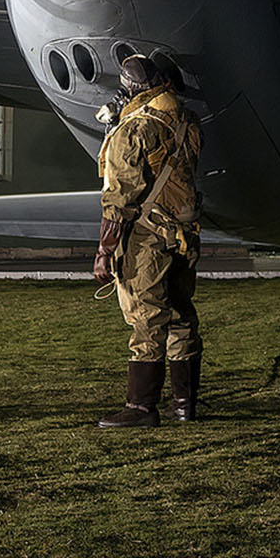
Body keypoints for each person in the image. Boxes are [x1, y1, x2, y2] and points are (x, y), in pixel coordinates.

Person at [93, 54, 205, 427]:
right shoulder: (187, 120)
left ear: (132, 88)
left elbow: (120, 195)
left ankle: (141, 408)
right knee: (181, 314)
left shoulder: (135, 128)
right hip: (184, 235)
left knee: (145, 316)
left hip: (147, 238)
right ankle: (184, 404)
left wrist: (105, 250)